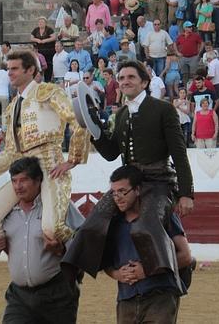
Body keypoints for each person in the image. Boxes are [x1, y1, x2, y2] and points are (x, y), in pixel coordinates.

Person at [63, 60, 194, 281]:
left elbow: (179, 154)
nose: (125, 82)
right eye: (121, 78)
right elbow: (111, 153)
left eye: (131, 77)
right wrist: (96, 130)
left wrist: (185, 193)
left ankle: (165, 272)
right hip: (128, 183)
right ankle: (81, 271)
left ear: (144, 82)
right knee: (92, 224)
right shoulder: (121, 114)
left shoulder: (163, 109)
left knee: (146, 224)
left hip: (159, 181)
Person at [0, 50, 90, 243]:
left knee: (53, 230)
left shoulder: (48, 91)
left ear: (31, 70)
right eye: (8, 69)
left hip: (50, 165)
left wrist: (72, 160)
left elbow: (78, 120)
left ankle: (83, 248)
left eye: (15, 68)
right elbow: (11, 152)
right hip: (23, 169)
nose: (9, 73)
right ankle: (25, 256)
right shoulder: (11, 107)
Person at [0, 156, 81, 322]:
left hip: (57, 294)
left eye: (24, 180)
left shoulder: (59, 206)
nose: (18, 186)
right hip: (19, 296)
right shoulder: (5, 212)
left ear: (38, 180)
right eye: (14, 181)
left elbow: (82, 240)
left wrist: (62, 249)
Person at [102, 165, 191, 323]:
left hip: (160, 296)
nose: (118, 197)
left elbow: (185, 256)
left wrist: (149, 270)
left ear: (137, 190)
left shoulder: (161, 214)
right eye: (114, 193)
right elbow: (106, 262)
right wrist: (117, 274)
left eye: (123, 191)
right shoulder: (112, 222)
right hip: (126, 299)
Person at [30, 17, 57, 81]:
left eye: (42, 22)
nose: (40, 23)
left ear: (45, 23)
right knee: (40, 65)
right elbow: (31, 38)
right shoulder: (36, 30)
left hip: (49, 51)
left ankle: (48, 79)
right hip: (40, 51)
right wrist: (37, 40)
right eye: (39, 22)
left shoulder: (49, 29)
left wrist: (45, 40)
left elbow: (54, 37)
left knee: (48, 65)